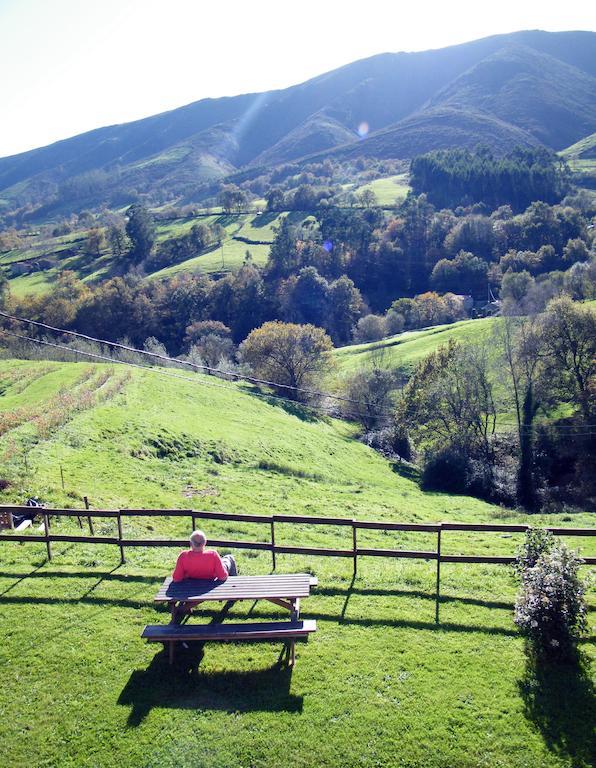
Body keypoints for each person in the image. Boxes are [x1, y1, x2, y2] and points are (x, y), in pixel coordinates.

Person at [172, 529, 238, 582]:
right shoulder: (213, 554)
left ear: (190, 543)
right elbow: (223, 577)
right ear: (205, 543)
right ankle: (234, 588)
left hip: (192, 585)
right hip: (210, 581)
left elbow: (176, 579)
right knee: (229, 558)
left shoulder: (183, 556)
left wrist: (186, 575)